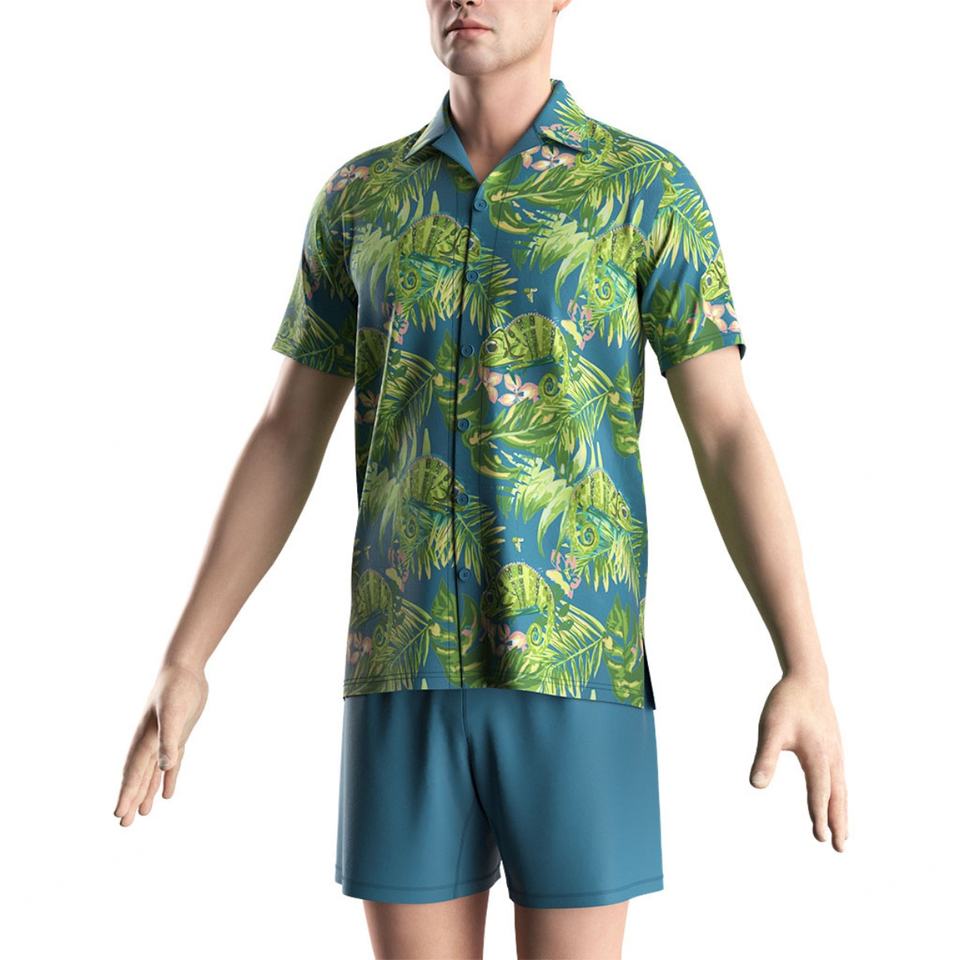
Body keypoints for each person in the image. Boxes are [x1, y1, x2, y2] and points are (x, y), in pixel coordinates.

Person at [114, 0, 849, 956]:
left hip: (577, 672)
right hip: (400, 669)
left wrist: (804, 662)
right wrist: (187, 656)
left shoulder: (643, 190)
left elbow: (727, 431)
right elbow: (287, 432)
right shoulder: (362, 197)